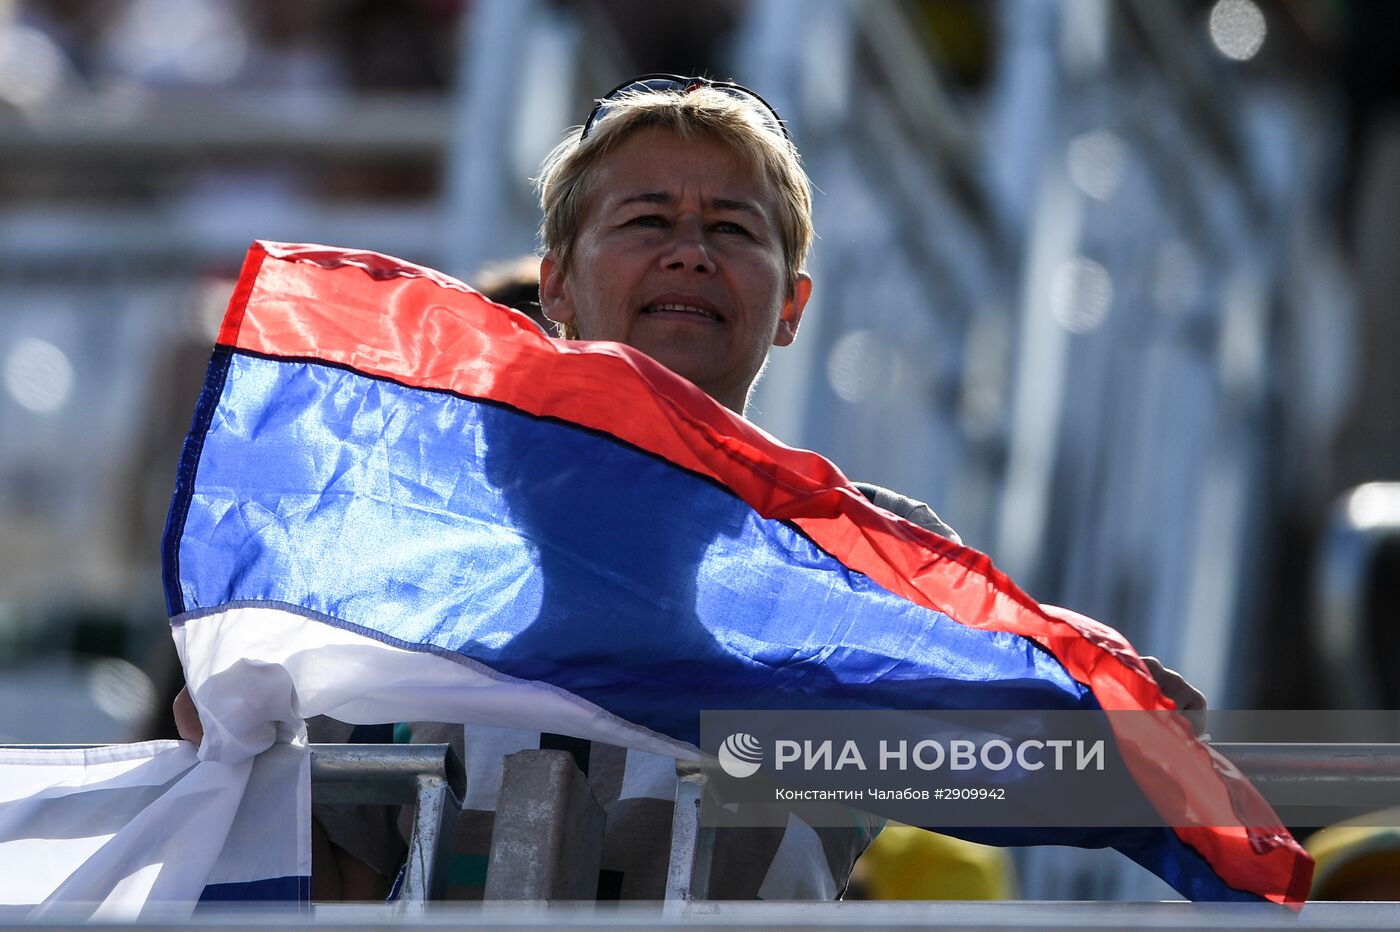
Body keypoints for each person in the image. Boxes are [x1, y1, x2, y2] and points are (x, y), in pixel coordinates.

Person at [176, 73, 1204, 900]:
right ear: (558, 284)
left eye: (732, 229)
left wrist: (1100, 710)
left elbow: (1056, 759)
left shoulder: (870, 557)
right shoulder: (410, 533)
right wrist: (245, 739)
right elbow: (345, 866)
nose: (688, 250)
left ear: (789, 304)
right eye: (645, 218)